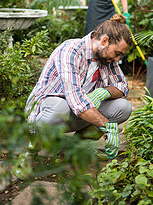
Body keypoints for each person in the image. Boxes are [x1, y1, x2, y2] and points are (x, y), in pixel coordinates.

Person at [13, 14, 133, 180]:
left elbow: (123, 86)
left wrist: (104, 91)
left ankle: (73, 147)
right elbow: (76, 101)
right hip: (48, 114)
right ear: (104, 41)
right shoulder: (71, 50)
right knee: (59, 107)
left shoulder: (107, 58)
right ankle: (30, 152)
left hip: (78, 113)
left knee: (123, 107)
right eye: (117, 53)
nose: (118, 59)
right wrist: (107, 126)